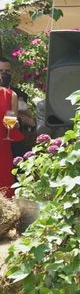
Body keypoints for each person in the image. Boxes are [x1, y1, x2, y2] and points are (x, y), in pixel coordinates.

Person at [0, 58, 22, 197]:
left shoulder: (11, 95)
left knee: (4, 183)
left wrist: (14, 123)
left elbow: (12, 121)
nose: (3, 75)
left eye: (6, 71)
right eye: (0, 71)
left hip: (3, 143)